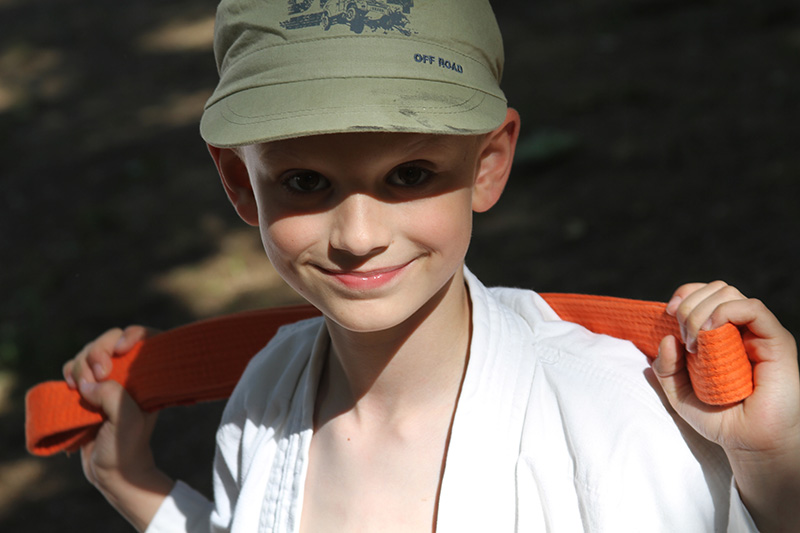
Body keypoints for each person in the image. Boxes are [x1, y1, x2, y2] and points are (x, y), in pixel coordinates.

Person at [62, 0, 800, 531]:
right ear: (238, 182)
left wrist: (773, 465)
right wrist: (133, 482)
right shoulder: (265, 395)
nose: (358, 236)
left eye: (409, 174)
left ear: (489, 163)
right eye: (305, 181)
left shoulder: (611, 424)